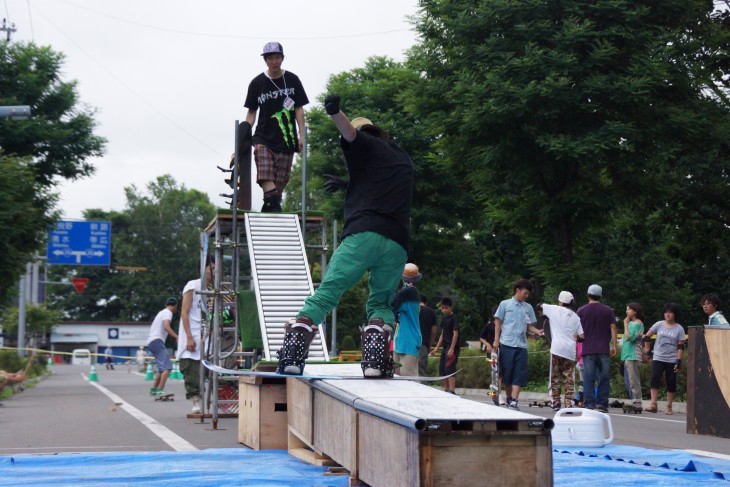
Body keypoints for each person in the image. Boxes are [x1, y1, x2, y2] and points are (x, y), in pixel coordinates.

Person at [276, 95, 413, 378]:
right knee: (380, 303)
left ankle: (293, 353)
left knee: (328, 293)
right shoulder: (401, 157)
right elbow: (378, 181)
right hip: (397, 243)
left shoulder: (364, 143)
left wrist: (336, 112)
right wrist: (347, 184)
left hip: (363, 236)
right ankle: (375, 361)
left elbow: (349, 133)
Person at [244, 41, 309, 212]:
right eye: (270, 58)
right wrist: (244, 131)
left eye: (277, 57)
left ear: (282, 58)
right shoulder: (257, 83)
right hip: (263, 136)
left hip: (286, 138)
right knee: (261, 158)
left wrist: (302, 135)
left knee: (278, 188)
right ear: (265, 60)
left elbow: (298, 108)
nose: (274, 61)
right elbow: (251, 112)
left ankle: (270, 205)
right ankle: (271, 202)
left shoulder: (292, 80)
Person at [493, 279, 544, 410]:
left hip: (521, 346)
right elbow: (498, 322)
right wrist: (496, 340)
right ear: (517, 291)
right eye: (525, 293)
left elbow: (529, 326)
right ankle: (509, 398)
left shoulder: (528, 308)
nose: (527, 296)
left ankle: (514, 400)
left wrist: (537, 331)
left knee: (519, 374)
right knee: (507, 374)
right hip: (506, 344)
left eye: (528, 294)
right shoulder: (505, 304)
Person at [178, 258, 214, 414]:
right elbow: (184, 312)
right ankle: (196, 402)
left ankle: (212, 401)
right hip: (192, 332)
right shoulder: (193, 285)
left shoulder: (215, 288)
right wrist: (189, 337)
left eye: (216, 268)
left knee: (208, 368)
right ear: (203, 269)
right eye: (211, 268)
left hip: (208, 334)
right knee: (191, 369)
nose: (214, 271)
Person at [539, 291, 584, 410]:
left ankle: (556, 402)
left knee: (555, 376)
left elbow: (540, 306)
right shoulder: (576, 317)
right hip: (570, 350)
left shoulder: (554, 309)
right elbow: (582, 337)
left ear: (561, 301)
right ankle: (568, 402)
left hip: (557, 349)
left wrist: (543, 314)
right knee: (569, 377)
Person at [576, 284, 618, 413]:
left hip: (587, 349)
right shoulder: (607, 311)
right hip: (603, 349)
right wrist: (614, 345)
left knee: (589, 377)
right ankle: (602, 404)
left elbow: (576, 329)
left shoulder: (581, 310)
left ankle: (589, 404)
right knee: (603, 377)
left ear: (588, 295)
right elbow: (613, 327)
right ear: (600, 296)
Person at [643, 303, 685, 415]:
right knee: (654, 378)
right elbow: (647, 337)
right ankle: (653, 404)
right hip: (658, 357)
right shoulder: (659, 324)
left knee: (671, 382)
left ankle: (669, 406)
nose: (668, 314)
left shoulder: (679, 328)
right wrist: (648, 352)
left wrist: (678, 361)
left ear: (675, 314)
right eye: (666, 312)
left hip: (671, 359)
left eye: (670, 312)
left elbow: (681, 346)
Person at [391, 263, 423, 377]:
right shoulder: (408, 291)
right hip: (400, 341)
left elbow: (391, 304)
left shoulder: (409, 293)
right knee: (396, 377)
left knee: (409, 378)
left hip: (409, 341)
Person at [146, 297, 179, 397]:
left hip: (151, 341)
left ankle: (154, 389)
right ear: (175, 306)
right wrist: (177, 337)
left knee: (161, 368)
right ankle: (160, 390)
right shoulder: (168, 312)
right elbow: (166, 326)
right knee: (167, 367)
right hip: (157, 340)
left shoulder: (161, 312)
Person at [429, 297, 461, 394]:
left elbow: (456, 334)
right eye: (442, 308)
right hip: (445, 347)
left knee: (450, 368)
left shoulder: (454, 318)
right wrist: (436, 348)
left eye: (446, 308)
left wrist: (452, 349)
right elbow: (442, 334)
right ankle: (446, 389)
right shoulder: (444, 319)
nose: (444, 310)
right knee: (442, 368)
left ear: (451, 307)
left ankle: (452, 390)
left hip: (452, 348)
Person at [621, 302, 644, 410]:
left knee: (633, 379)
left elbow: (629, 337)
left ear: (635, 311)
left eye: (629, 309)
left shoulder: (637, 323)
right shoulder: (631, 323)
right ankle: (634, 400)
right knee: (628, 380)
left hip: (633, 355)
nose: (627, 311)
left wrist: (625, 324)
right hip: (627, 354)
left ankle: (637, 402)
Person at [418, 294, 437, 377]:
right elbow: (433, 332)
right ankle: (422, 389)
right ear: (426, 302)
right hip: (423, 343)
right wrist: (429, 345)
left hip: (409, 344)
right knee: (422, 370)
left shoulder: (412, 310)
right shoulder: (431, 312)